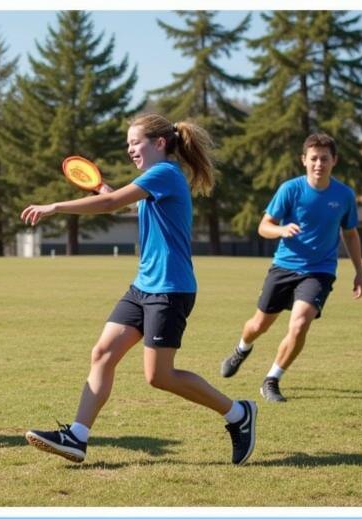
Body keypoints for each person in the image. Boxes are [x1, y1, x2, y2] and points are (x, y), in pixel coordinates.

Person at [21, 114, 257, 467]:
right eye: (128, 144)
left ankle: (238, 413)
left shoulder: (165, 173)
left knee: (159, 376)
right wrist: (107, 191)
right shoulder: (154, 179)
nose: (131, 149)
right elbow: (124, 200)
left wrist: (55, 206)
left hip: (170, 289)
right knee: (102, 352)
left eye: (136, 142)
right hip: (142, 286)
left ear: (159, 143)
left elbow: (110, 204)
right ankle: (77, 436)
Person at [219, 132, 362, 403]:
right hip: (284, 267)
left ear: (334, 161)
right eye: (313, 158)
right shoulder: (290, 189)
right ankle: (242, 348)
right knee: (258, 325)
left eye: (324, 158)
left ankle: (272, 379)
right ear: (304, 161)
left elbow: (352, 234)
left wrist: (359, 271)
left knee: (299, 325)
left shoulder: (344, 195)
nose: (318, 163)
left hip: (320, 271)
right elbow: (264, 227)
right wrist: (281, 229)